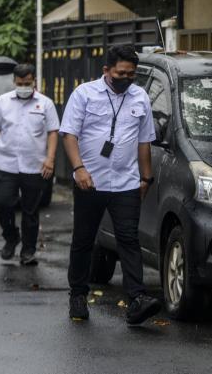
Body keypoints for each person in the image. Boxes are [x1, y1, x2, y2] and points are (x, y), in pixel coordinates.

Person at [60, 44, 162, 325]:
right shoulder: (84, 94)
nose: (127, 78)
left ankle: (136, 300)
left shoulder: (140, 97)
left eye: (132, 74)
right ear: (106, 70)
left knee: (129, 240)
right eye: (121, 73)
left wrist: (146, 177)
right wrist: (78, 168)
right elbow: (68, 134)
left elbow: (145, 141)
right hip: (89, 182)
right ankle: (78, 296)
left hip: (126, 183)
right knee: (83, 239)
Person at [0, 63, 59, 266]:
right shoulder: (2, 102)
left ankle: (28, 251)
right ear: (14, 82)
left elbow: (52, 132)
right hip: (6, 163)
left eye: (28, 83)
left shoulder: (46, 104)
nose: (24, 86)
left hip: (34, 165)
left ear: (34, 82)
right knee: (4, 203)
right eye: (20, 83)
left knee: (30, 210)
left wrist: (50, 159)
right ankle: (11, 236)